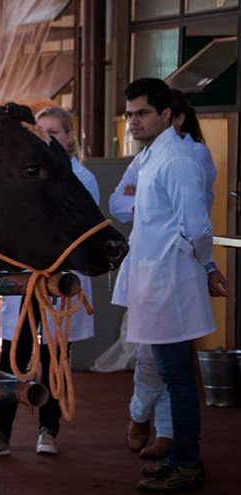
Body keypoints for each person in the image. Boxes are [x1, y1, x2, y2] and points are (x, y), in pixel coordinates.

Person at [111, 77, 227, 493]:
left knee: (177, 376)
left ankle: (186, 462)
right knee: (169, 372)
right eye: (130, 115)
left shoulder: (176, 159)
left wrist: (207, 266)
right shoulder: (149, 158)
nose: (133, 122)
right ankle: (180, 457)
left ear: (166, 115)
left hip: (170, 282)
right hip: (156, 280)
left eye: (142, 113)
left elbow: (196, 225)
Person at [0, 106, 100, 457]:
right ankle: (0, 432)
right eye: (41, 132)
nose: (47, 139)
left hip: (60, 283)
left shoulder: (82, 178)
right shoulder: (26, 176)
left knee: (55, 357)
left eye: (54, 132)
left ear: (70, 136)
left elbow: (77, 232)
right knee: (14, 355)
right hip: (28, 283)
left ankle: (48, 430)